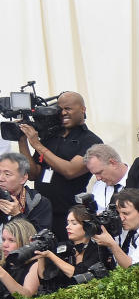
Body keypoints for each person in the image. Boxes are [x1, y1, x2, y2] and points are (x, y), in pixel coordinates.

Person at [16, 91, 101, 241]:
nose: (63, 113)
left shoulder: (91, 141)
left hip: (68, 215)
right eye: (59, 109)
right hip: (41, 212)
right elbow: (32, 173)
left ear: (83, 109)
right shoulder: (50, 137)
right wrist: (22, 140)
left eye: (68, 109)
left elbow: (70, 171)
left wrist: (37, 144)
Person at [28, 203, 114, 294]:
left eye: (74, 223)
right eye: (68, 223)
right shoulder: (63, 247)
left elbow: (79, 276)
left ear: (87, 226)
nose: (68, 227)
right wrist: (40, 253)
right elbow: (44, 277)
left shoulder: (97, 250)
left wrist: (50, 255)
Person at [92, 189, 139, 268]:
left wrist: (112, 244)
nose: (121, 218)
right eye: (118, 213)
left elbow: (134, 270)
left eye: (126, 213)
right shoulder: (131, 226)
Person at [0, 152, 52, 232]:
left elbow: (39, 238)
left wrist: (17, 215)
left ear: (23, 178)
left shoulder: (39, 202)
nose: (1, 178)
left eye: (7, 174)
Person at [0, 218, 39, 299]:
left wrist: (2, 273)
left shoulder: (35, 264)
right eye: (3, 239)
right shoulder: (3, 263)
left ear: (25, 242)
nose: (5, 245)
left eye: (11, 240)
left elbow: (26, 297)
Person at [83, 144, 129, 212]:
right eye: (95, 174)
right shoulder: (98, 185)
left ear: (113, 163)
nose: (98, 178)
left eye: (99, 172)